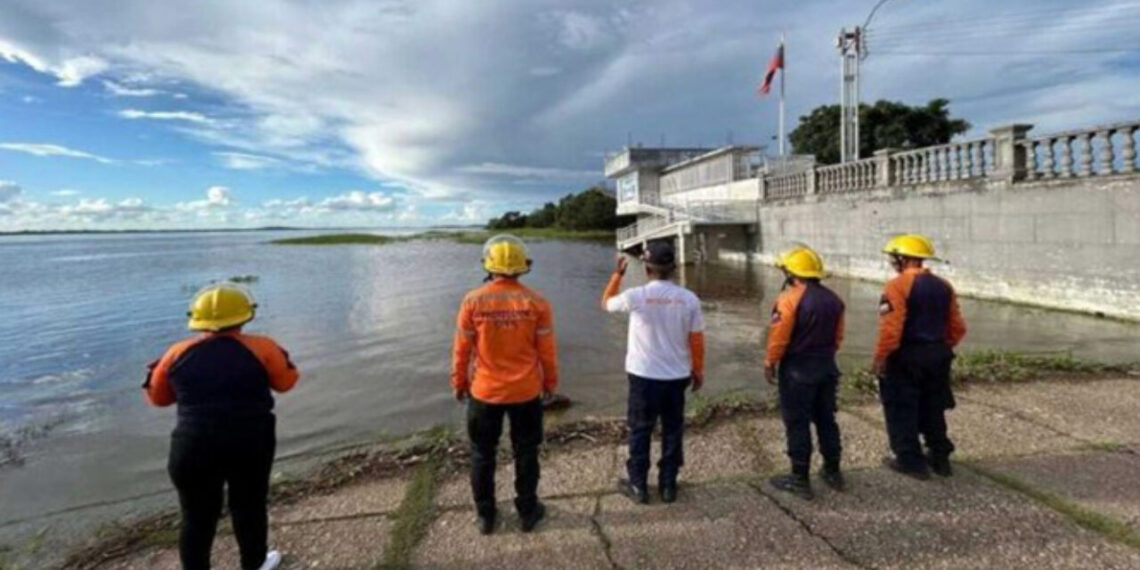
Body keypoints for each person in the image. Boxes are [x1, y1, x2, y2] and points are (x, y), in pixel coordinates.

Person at [144, 283, 298, 570]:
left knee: (196, 516)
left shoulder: (176, 353)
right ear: (245, 316)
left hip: (192, 444)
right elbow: (286, 383)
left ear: (197, 319)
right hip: (251, 441)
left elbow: (158, 398)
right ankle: (254, 564)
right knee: (249, 506)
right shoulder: (263, 347)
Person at [450, 234, 559, 535]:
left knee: (482, 455)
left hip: (485, 392)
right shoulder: (537, 302)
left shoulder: (473, 300)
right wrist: (550, 383)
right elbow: (546, 351)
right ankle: (527, 511)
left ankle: (486, 515)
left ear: (489, 265)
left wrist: (458, 381)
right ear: (523, 266)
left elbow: (462, 349)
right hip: (526, 391)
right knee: (526, 452)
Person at [602, 241, 705, 504]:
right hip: (676, 376)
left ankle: (638, 485)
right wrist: (698, 370)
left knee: (640, 429)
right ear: (673, 268)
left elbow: (605, 304)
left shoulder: (636, 296)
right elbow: (696, 340)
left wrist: (617, 275)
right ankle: (668, 485)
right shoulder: (689, 299)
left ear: (647, 267)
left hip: (643, 377)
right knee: (672, 429)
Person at [873, 234, 967, 479]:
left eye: (894, 257)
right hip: (938, 354)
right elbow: (957, 327)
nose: (892, 261)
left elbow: (891, 329)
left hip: (906, 356)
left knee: (901, 408)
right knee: (933, 407)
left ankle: (910, 461)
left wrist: (881, 358)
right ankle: (940, 458)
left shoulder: (896, 286)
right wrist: (939, 347)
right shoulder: (943, 286)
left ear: (902, 258)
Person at [764, 245, 846, 500]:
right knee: (826, 420)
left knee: (797, 423)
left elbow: (779, 337)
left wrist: (770, 362)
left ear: (791, 273)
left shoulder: (788, 299)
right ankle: (833, 471)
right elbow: (838, 337)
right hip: (826, 367)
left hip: (798, 371)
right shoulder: (835, 299)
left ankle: (799, 478)